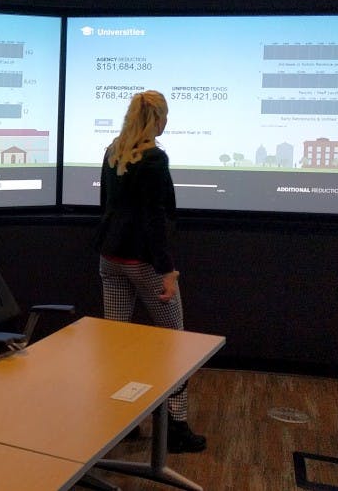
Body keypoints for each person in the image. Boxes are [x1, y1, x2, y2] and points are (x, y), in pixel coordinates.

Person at [94, 89, 206, 453]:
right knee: (175, 344)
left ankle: (121, 422)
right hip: (144, 263)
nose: (167, 122)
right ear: (157, 119)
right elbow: (155, 219)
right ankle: (176, 427)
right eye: (166, 116)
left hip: (111, 259)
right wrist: (167, 270)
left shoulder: (113, 151)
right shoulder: (154, 158)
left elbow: (105, 206)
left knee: (117, 343)